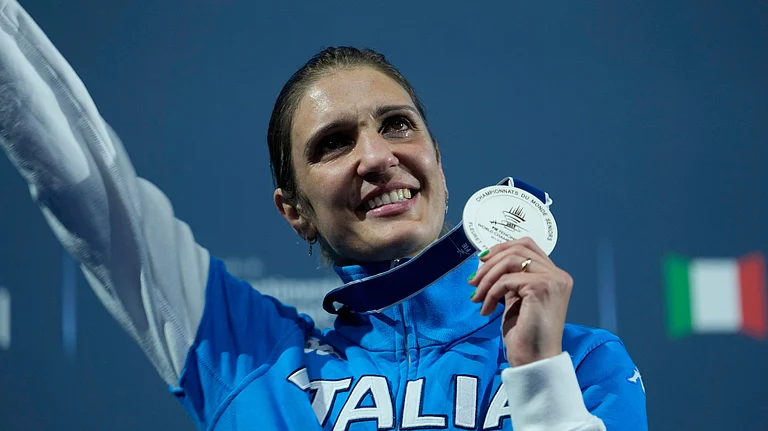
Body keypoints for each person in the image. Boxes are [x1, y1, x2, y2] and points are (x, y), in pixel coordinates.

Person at [0, 1, 647, 429]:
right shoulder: (246, 356)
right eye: (333, 143)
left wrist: (538, 371)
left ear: (438, 163)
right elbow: (89, 189)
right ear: (295, 211)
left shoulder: (583, 361)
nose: (376, 156)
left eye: (397, 125)